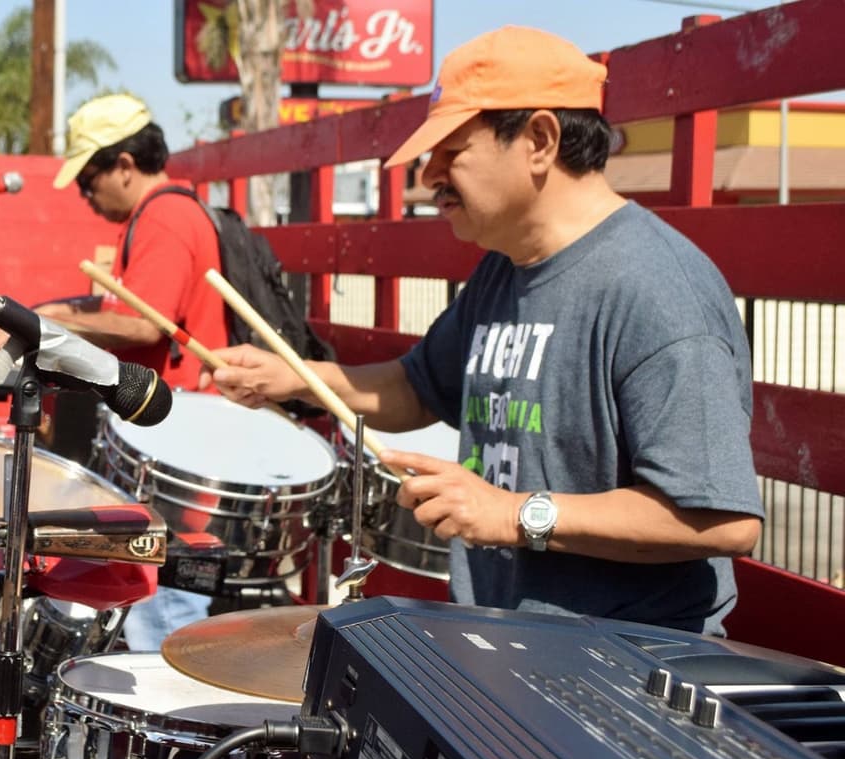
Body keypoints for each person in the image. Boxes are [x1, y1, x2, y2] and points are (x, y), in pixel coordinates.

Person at [206, 26, 763, 636]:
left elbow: (720, 519)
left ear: (541, 141)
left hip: (623, 671)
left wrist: (514, 514)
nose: (429, 175)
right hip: (506, 642)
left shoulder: (656, 288)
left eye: (452, 150)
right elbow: (417, 388)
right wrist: (299, 379)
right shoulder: (505, 268)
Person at [44, 94, 230, 649]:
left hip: (179, 430)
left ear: (125, 164)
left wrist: (50, 320)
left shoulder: (166, 216)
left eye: (89, 178)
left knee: (161, 594)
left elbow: (146, 325)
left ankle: (177, 726)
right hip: (170, 424)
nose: (86, 194)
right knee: (152, 587)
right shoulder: (161, 213)